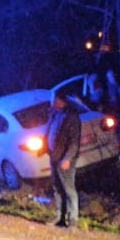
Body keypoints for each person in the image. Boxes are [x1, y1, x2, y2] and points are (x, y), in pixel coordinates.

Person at [47, 90, 82, 227]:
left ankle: (73, 219)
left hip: (65, 160)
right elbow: (50, 131)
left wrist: (67, 158)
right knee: (58, 188)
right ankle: (60, 218)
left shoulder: (72, 117)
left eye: (55, 100)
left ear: (62, 101)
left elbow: (74, 142)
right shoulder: (56, 114)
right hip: (55, 157)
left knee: (69, 190)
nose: (53, 103)